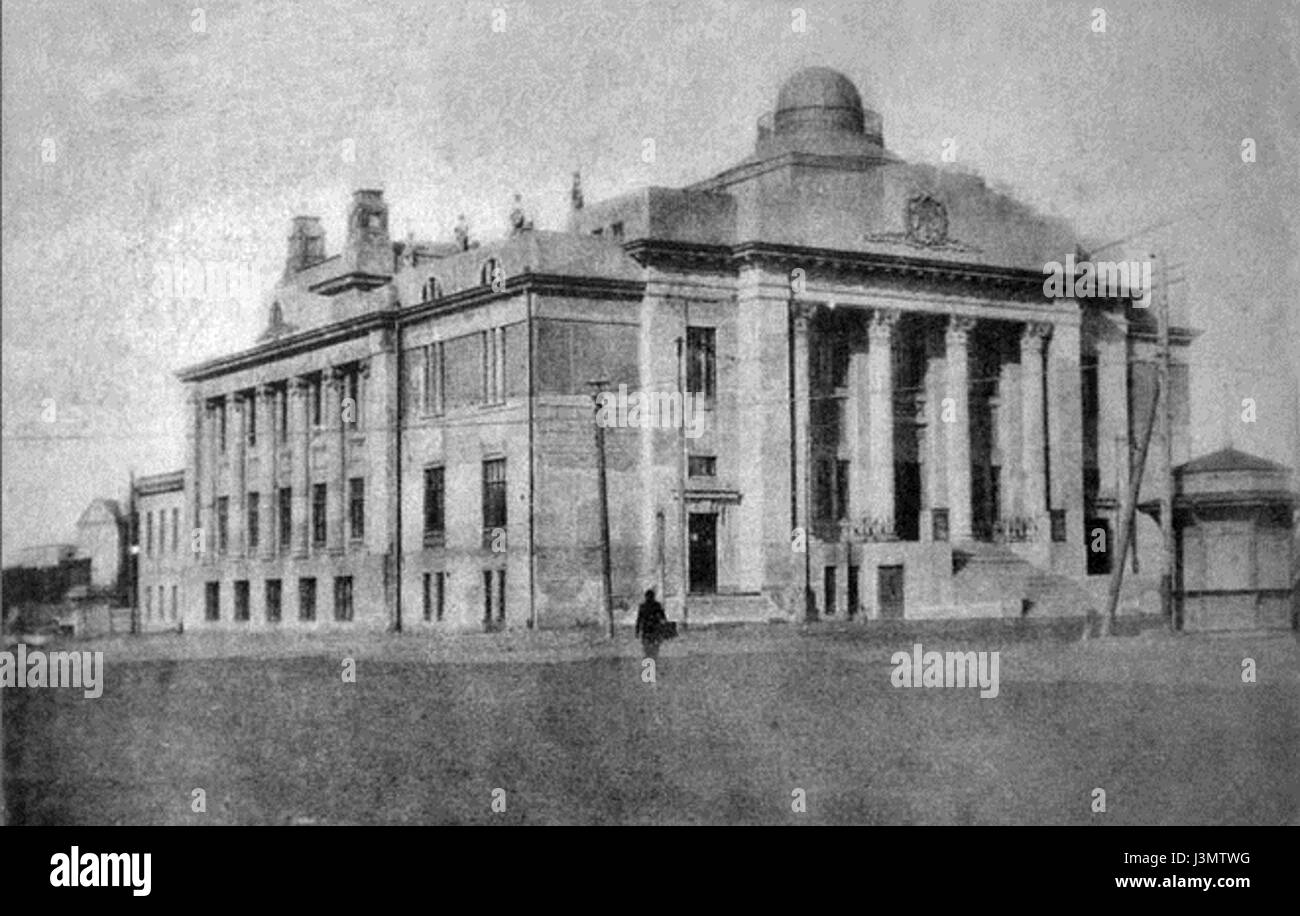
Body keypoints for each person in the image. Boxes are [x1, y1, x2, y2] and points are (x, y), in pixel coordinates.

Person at [635, 589, 667, 660]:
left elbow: (639, 620)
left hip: (649, 630)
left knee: (649, 649)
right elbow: (663, 618)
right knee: (652, 649)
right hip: (651, 630)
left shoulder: (644, 606)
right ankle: (652, 663)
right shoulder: (656, 605)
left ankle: (650, 664)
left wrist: (637, 631)